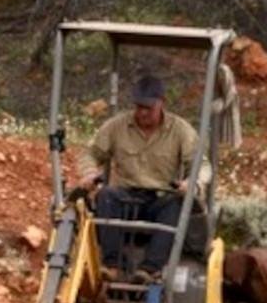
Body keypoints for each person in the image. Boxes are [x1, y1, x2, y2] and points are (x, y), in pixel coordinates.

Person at [77, 74, 211, 283]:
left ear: (162, 104)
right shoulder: (116, 127)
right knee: (106, 195)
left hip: (160, 199)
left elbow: (200, 165)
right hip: (125, 197)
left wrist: (192, 183)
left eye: (148, 108)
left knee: (177, 202)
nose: (142, 113)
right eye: (138, 107)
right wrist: (88, 172)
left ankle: (150, 269)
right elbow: (91, 153)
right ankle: (112, 265)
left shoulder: (180, 130)